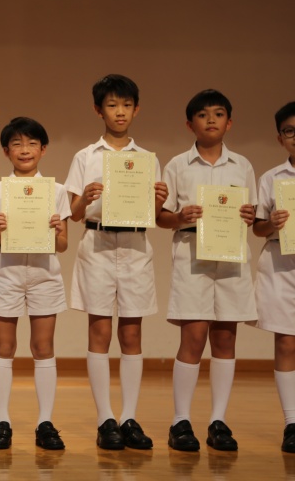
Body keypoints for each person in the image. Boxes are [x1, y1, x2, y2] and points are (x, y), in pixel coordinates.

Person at [64, 74, 167, 451]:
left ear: (136, 109)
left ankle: (129, 418)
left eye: (126, 105)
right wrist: (84, 197)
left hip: (135, 245)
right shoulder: (85, 156)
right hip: (98, 242)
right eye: (111, 105)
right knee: (99, 332)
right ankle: (105, 418)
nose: (119, 112)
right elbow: (73, 214)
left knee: (132, 334)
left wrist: (159, 199)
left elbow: (154, 214)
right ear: (98, 110)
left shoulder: (147, 159)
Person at [157, 89, 257, 452]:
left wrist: (249, 215)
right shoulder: (177, 165)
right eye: (202, 115)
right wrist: (180, 216)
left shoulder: (242, 166)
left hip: (231, 258)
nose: (210, 119)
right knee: (194, 337)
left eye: (218, 114)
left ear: (229, 122)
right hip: (193, 257)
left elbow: (252, 215)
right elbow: (161, 217)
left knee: (226, 338)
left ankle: (218, 421)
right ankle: (180, 421)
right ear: (190, 124)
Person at [0, 117, 70, 451]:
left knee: (43, 348)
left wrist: (57, 230)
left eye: (32, 143)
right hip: (7, 274)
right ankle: (2, 421)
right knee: (4, 347)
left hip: (45, 275)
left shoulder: (57, 192)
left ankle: (45, 422)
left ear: (43, 149)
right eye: (17, 144)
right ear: (6, 151)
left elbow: (63, 246)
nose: (25, 150)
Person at [251, 102, 295, 453]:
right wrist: (273, 223)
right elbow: (257, 228)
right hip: (282, 264)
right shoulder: (272, 178)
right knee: (286, 343)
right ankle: (292, 423)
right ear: (280, 138)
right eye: (290, 131)